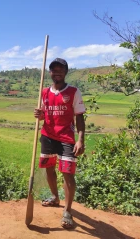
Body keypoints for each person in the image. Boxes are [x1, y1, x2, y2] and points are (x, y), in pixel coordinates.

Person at [34, 58, 86, 229]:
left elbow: (79, 117)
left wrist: (80, 139)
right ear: (50, 73)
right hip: (47, 136)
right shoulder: (45, 92)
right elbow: (44, 114)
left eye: (60, 70)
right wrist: (39, 115)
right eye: (53, 70)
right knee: (49, 169)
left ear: (65, 72)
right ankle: (55, 197)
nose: (56, 72)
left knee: (67, 174)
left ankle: (68, 211)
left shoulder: (73, 92)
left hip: (66, 138)